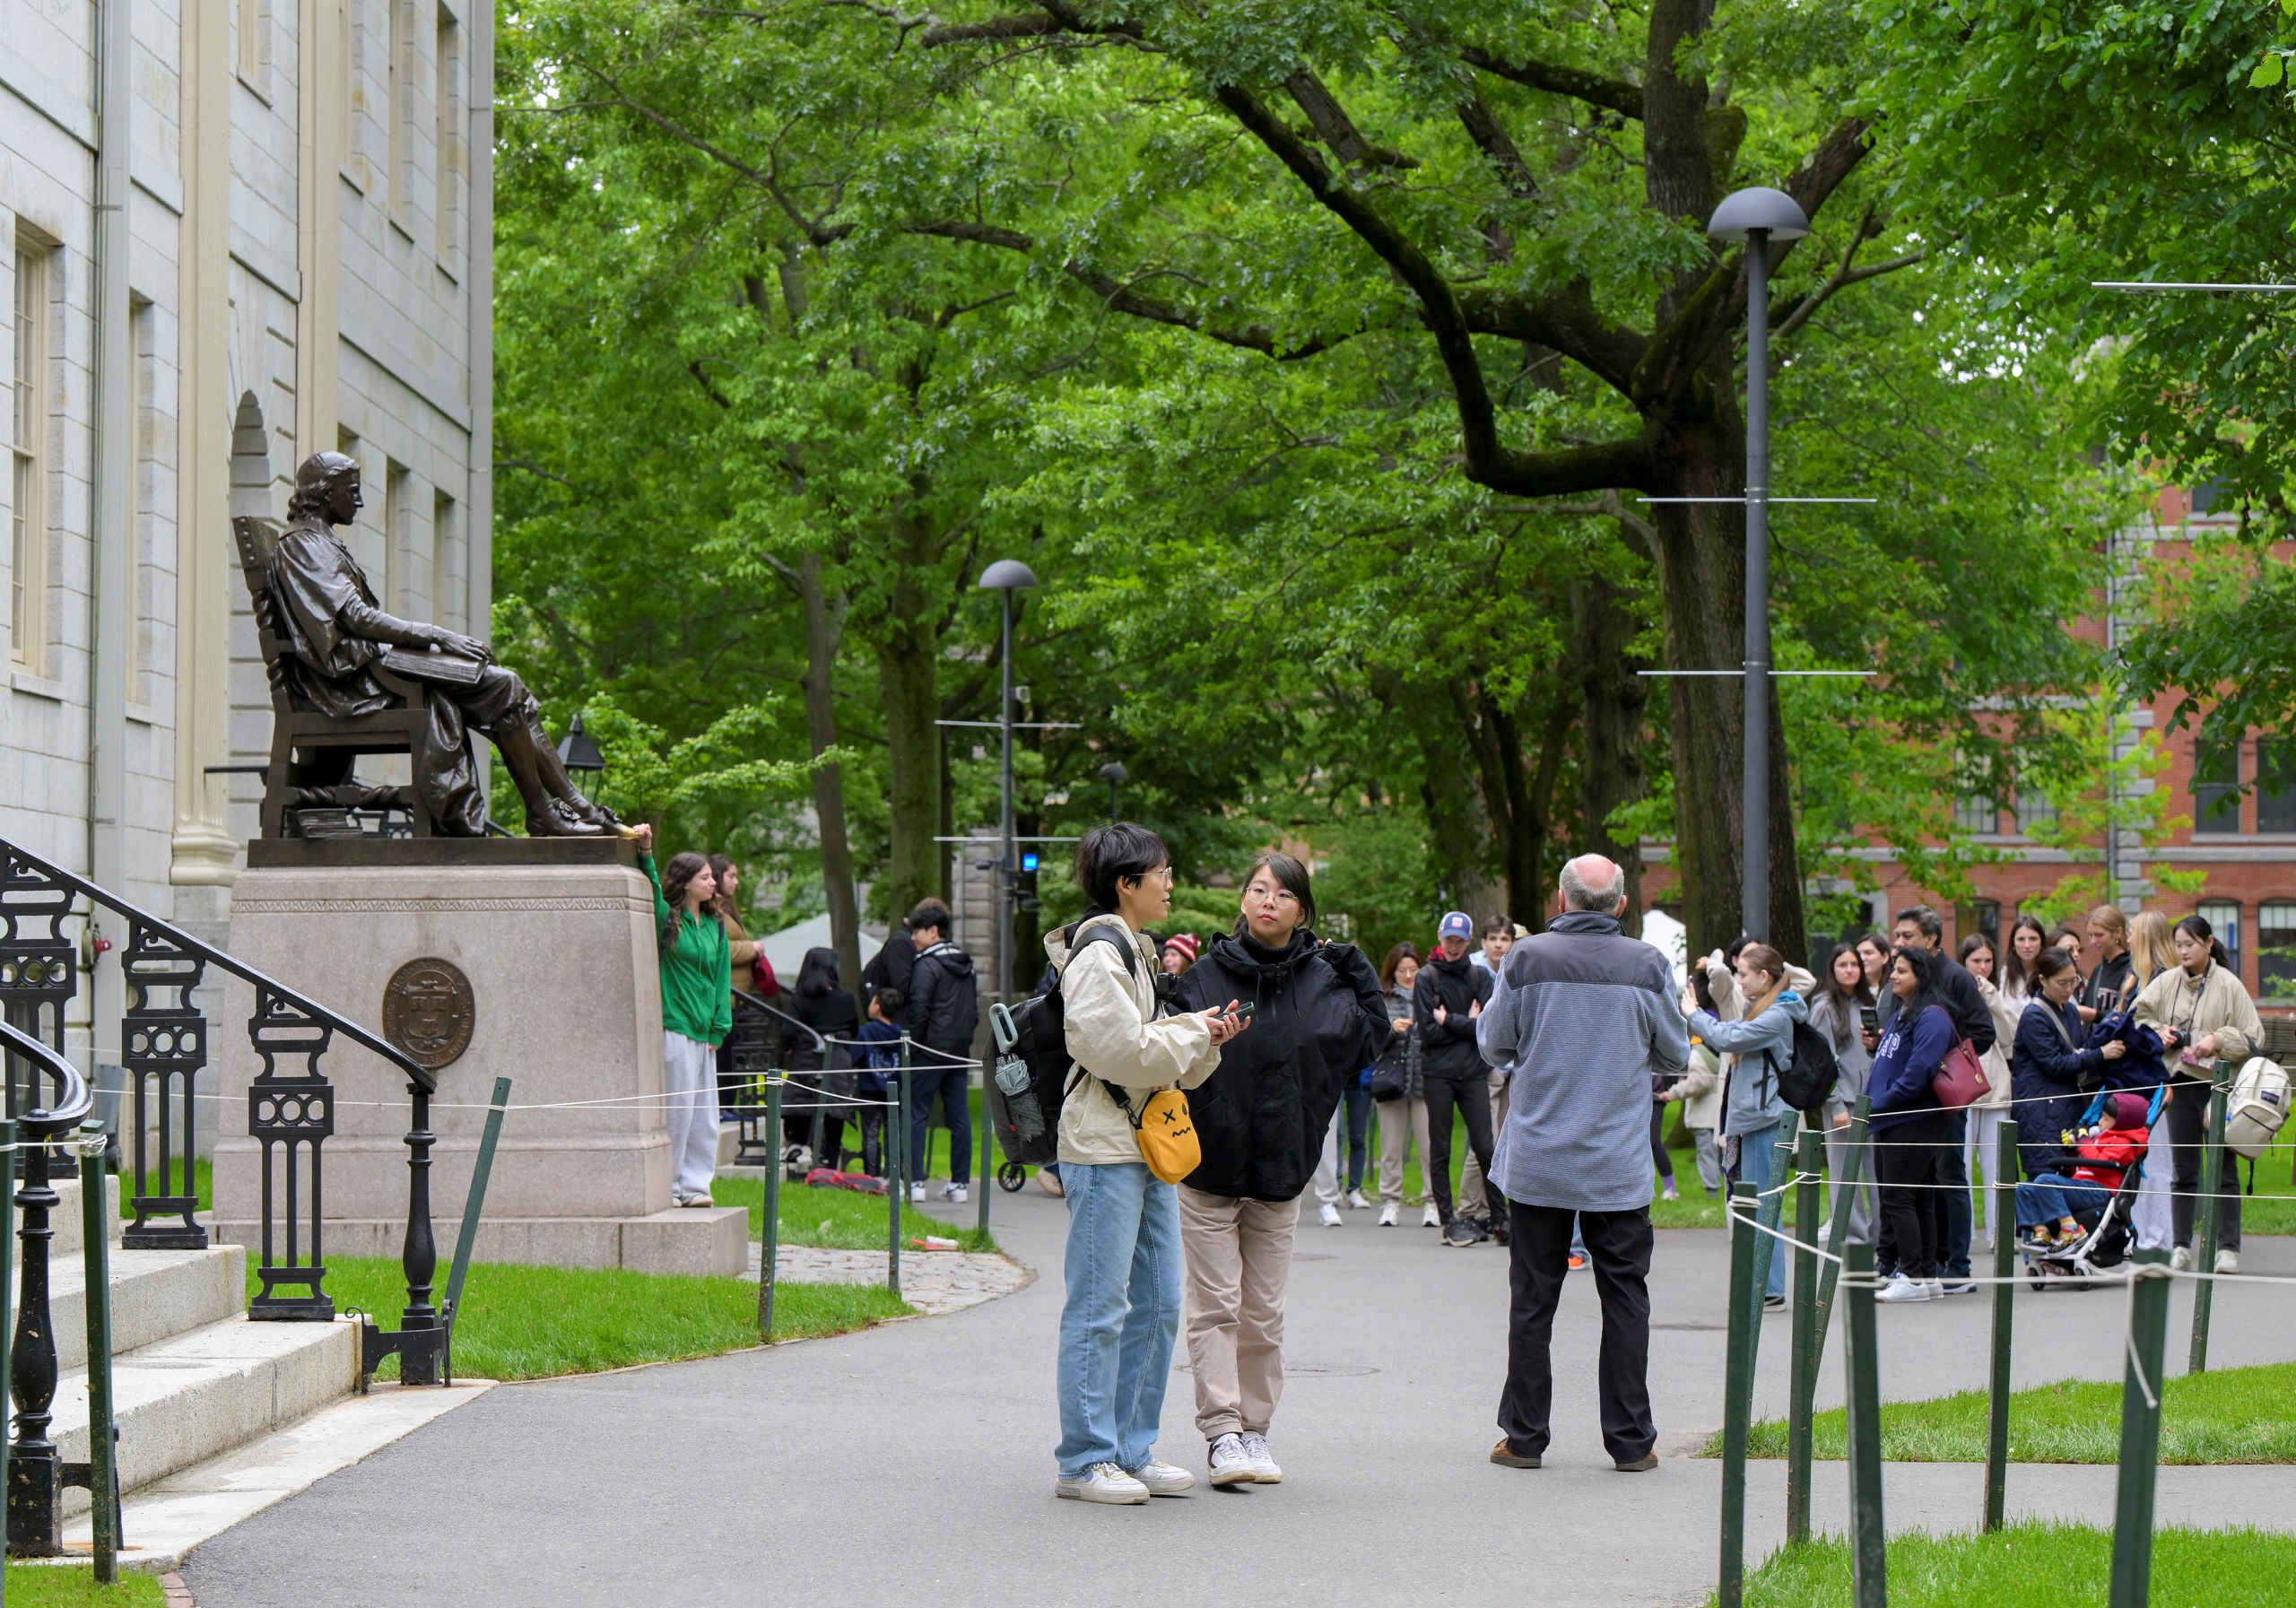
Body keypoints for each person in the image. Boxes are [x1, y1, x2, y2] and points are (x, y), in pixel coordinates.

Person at [1172, 852, 1391, 1485]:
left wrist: (1353, 964)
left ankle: (1256, 1431)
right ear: (1242, 900)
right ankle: (1221, 1433)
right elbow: (1168, 1052)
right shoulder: (1205, 977)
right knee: (1215, 1307)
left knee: (1263, 1312)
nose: (1268, 901)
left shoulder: (1323, 979)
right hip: (1208, 1168)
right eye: (1258, 889)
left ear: (1302, 910)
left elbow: (1369, 1036)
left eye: (1283, 894)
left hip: (1281, 1170)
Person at [1048, 822, 1247, 1505]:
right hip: (1103, 1148)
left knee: (1160, 1304)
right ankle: (1084, 1459)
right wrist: (1193, 1029)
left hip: (1143, 1143)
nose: (1170, 882)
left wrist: (1206, 1035)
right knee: (1101, 1307)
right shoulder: (1098, 952)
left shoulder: (1138, 949)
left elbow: (1152, 1051)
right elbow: (1115, 1049)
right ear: (1125, 883)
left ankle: (1130, 1448)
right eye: (1159, 872)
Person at [265, 451, 613, 836]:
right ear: (327, 492)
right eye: (353, 491)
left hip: (371, 671)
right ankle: (551, 812)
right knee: (504, 686)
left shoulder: (321, 542)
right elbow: (356, 618)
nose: (359, 501)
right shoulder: (305, 545)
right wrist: (438, 635)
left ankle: (564, 809)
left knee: (507, 689)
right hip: (349, 686)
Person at [1477, 854, 1687, 1473]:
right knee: (1625, 1298)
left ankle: (1524, 1436)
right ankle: (1630, 1439)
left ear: (1562, 899)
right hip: (1617, 1163)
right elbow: (1675, 1050)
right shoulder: (1647, 965)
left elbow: (1493, 1041)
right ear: (1621, 904)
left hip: (1541, 1158)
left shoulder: (1525, 957)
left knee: (1532, 1300)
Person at [2134, 913, 2263, 1274]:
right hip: (2180, 1084)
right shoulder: (2166, 982)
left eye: (2189, 944)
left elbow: (2254, 1037)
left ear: (2208, 943)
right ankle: (2180, 1246)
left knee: (2223, 1169)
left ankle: (2227, 1248)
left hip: (2219, 1087)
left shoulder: (2228, 984)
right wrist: (2161, 1033)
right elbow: (2138, 1016)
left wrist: (2216, 1040)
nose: (2183, 951)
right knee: (2183, 1169)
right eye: (2178, 945)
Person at [1683, 942, 1806, 1314]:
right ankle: (1763, 1285)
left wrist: (1693, 1013)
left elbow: (1725, 1038)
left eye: (1744, 975)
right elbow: (1733, 1031)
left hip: (1765, 1119)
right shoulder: (1763, 1008)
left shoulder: (1778, 1014)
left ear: (1764, 977)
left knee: (1765, 1204)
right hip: (1756, 1117)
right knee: (1756, 1202)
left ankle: (1770, 1289)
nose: (1739, 981)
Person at [1881, 907, 1997, 1290]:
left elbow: (1983, 1032)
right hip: (1906, 1102)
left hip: (1940, 1098)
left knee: (1949, 1176)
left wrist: (1940, 1062)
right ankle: (1915, 1262)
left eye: (1907, 936)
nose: (1898, 943)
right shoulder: (1905, 982)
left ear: (1931, 939)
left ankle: (1957, 1265)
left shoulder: (1957, 978)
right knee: (1919, 1186)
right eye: (1897, 936)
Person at [634, 827, 731, 1207]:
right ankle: (670, 1187)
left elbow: (722, 977)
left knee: (706, 1116)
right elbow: (653, 888)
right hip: (675, 1026)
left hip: (706, 1032)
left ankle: (696, 1187)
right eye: (705, 877)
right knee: (678, 1111)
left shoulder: (715, 924)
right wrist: (647, 852)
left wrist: (720, 1026)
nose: (713, 882)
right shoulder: (668, 919)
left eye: (712, 876)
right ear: (686, 882)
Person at [1866, 945, 1958, 1302]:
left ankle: (1912, 1276)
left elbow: (1918, 1073)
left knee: (1899, 1197)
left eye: (1901, 971)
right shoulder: (1904, 1011)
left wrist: (1877, 1105)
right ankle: (1925, 1275)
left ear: (1921, 975)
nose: (1893, 976)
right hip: (1894, 1118)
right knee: (1917, 1197)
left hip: (1912, 1119)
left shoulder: (1933, 1016)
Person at [1415, 911, 1500, 1247]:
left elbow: (1489, 1029)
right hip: (1438, 1075)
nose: (1453, 945)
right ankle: (1449, 1222)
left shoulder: (1480, 976)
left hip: (1474, 1074)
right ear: (1440, 936)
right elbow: (1428, 1032)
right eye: (1448, 939)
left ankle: (1500, 1219)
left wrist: (1451, 1020)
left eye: (1459, 940)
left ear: (1468, 942)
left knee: (1485, 1148)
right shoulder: (1426, 977)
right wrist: (1469, 1023)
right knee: (1441, 1149)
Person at [2011, 946, 2123, 1178]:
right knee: (2045, 1180)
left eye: (2074, 982)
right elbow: (2056, 1065)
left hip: (2066, 1106)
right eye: (2062, 983)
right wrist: (2101, 1053)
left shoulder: (2070, 1010)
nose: (2069, 989)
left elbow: (2079, 1050)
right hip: (2040, 1110)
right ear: (2043, 980)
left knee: (2071, 1177)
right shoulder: (2034, 1015)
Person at [904, 906, 978, 1204]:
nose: (912, 938)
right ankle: (959, 1183)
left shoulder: (927, 964)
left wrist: (918, 1042)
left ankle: (915, 1182)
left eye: (916, 931)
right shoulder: (966, 963)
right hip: (959, 1050)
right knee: (958, 1116)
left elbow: (918, 1008)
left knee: (917, 1112)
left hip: (930, 1049)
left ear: (932, 931)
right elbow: (972, 1010)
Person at [1806, 942, 1875, 1242]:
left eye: (1855, 965)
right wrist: (1835, 1105)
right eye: (1843, 965)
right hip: (1842, 1102)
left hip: (1871, 1100)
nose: (1850, 970)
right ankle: (1851, 1236)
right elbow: (1821, 1060)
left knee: (1875, 1170)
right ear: (1832, 970)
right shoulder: (1824, 1006)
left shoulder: (1868, 1004)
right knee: (1845, 1172)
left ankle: (1878, 1235)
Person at [2016, 1091, 2151, 1246]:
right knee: (2025, 1189)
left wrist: (2083, 1141)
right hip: (2083, 1186)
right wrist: (2071, 1151)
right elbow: (2081, 1169)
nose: (2100, 1123)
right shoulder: (2102, 1138)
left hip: (2100, 1190)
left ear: (2122, 1123)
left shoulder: (2125, 1144)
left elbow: (2099, 1165)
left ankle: (2072, 1229)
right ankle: (2042, 1231)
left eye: (2105, 1119)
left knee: (2044, 1181)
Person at [1959, 932, 2022, 1252]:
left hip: (1995, 1084)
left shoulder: (1997, 992)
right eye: (1975, 961)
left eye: (1987, 961)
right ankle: (1963, 1234)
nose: (1982, 967)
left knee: (1998, 1165)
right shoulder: (1954, 989)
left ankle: (2002, 1234)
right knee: (1963, 1167)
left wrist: (1993, 998)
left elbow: (2009, 1037)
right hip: (1962, 1087)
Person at [1460, 916, 1519, 1228]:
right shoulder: (1472, 971)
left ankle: (1491, 1211)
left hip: (1511, 1069)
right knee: (1483, 1143)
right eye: (1493, 938)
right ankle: (1469, 1210)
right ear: (1483, 942)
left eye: (1505, 939)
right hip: (1482, 1068)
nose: (1498, 944)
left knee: (1503, 1144)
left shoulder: (1514, 968)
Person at [1372, 943, 1437, 1228]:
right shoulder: (1381, 999)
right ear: (1392, 971)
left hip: (1427, 1080)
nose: (1409, 975)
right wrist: (1391, 1028)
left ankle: (1433, 1202)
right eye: (1402, 970)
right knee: (1390, 1146)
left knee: (1430, 1146)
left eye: (1414, 969)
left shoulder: (1433, 995)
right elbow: (1370, 1041)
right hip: (1392, 1082)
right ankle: (1390, 1201)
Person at [786, 947, 862, 1169]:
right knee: (834, 1108)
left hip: (804, 1059)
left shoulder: (799, 1000)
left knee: (802, 1104)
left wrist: (789, 1047)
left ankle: (797, 1145)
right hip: (837, 1059)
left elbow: (788, 1033)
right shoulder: (846, 999)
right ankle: (830, 1158)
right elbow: (855, 1030)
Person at [709, 856, 764, 1119]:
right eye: (731, 876)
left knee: (734, 1058)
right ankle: (722, 1108)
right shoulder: (713, 908)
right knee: (725, 1058)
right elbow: (720, 948)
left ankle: (729, 1106)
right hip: (726, 999)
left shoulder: (727, 907)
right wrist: (751, 948)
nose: (736, 881)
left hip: (737, 999)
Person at [851, 987, 906, 1176]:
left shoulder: (864, 1032)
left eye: (872, 1001)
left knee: (870, 1133)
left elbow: (855, 1057)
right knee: (894, 1133)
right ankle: (893, 1173)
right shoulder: (901, 1035)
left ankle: (871, 1174)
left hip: (869, 1088)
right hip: (894, 1089)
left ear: (877, 1007)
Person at [2081, 905, 2135, 1021]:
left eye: (2099, 935)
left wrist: (2093, 1015)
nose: (2093, 941)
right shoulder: (2098, 971)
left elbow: (2130, 1016)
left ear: (2118, 932)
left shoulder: (2133, 970)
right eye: (2090, 935)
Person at [2000, 914, 2048, 1004]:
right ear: (2013, 944)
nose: (2027, 945)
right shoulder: (2003, 975)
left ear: (2042, 943)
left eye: (2033, 939)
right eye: (2021, 939)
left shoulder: (2051, 973)